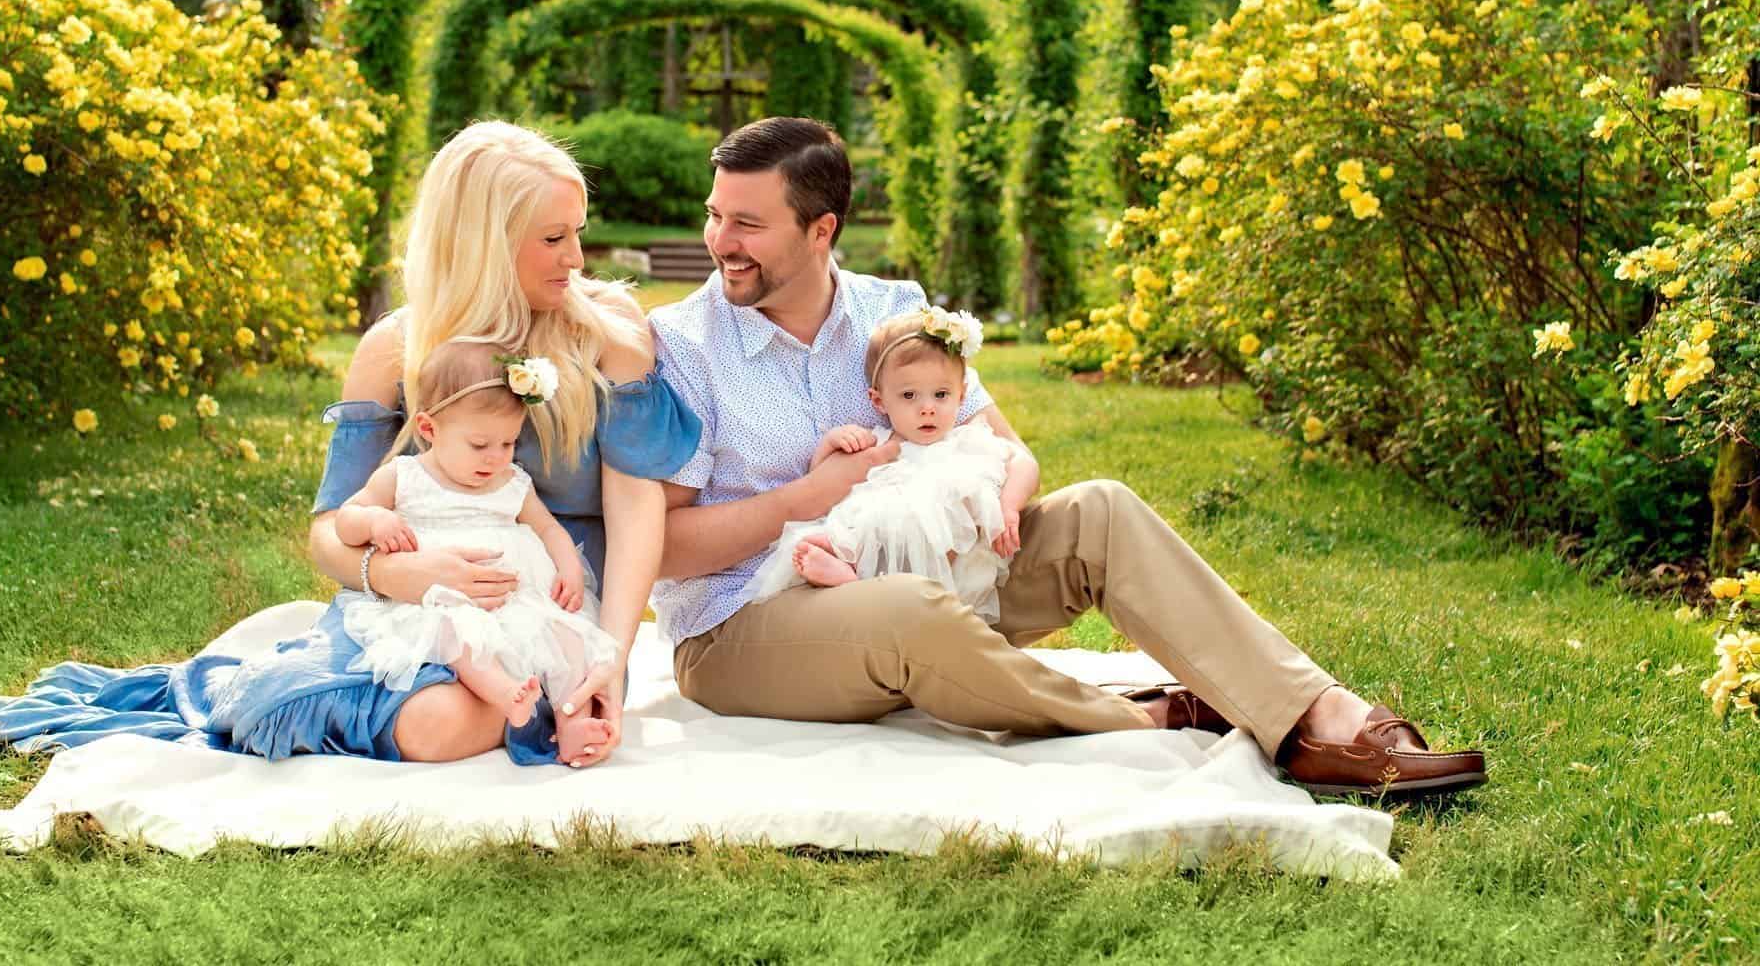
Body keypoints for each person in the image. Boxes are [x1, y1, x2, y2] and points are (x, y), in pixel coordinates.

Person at [649, 116, 1486, 798]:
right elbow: (662, 546)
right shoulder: (684, 343)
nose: (721, 238)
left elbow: (1011, 452)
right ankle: (1152, 718)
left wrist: (997, 512)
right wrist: (806, 496)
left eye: (746, 222)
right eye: (717, 215)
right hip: (742, 628)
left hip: (942, 569)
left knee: (1103, 510)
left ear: (821, 228)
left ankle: (1316, 717)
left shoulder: (895, 308)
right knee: (907, 608)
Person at [0, 122, 699, 771]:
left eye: (577, 231)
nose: (576, 256)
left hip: (557, 611)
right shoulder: (396, 349)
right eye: (552, 238)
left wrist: (613, 655)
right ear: (483, 242)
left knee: (495, 713)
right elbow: (328, 532)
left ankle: (518, 703)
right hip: (424, 604)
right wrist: (404, 574)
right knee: (431, 721)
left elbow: (637, 513)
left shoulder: (605, 332)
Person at [332, 337, 617, 762]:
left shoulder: (511, 483)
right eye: (480, 445)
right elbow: (345, 519)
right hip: (443, 601)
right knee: (457, 633)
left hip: (514, 601)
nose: (496, 458)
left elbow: (548, 528)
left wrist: (569, 567)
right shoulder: (405, 476)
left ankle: (572, 723)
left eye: (508, 444)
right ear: (429, 430)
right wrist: (376, 521)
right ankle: (505, 695)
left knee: (568, 639)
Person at [737, 306, 1037, 626]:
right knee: (844, 530)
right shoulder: (877, 443)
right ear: (879, 401)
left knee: (929, 533)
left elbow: (1023, 463)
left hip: (947, 558)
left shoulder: (970, 443)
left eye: (941, 394)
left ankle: (862, 584)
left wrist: (1008, 508)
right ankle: (853, 579)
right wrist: (831, 443)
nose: (927, 409)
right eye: (909, 395)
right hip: (882, 538)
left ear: (961, 395)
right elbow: (821, 478)